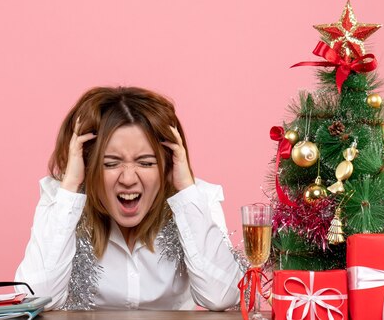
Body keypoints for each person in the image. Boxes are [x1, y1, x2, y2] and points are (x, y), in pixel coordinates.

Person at [15, 86, 242, 311]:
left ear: (167, 165)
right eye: (111, 163)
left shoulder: (194, 199)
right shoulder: (63, 199)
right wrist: (71, 186)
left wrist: (184, 188)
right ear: (87, 165)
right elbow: (35, 299)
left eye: (145, 163)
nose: (128, 178)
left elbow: (222, 296)